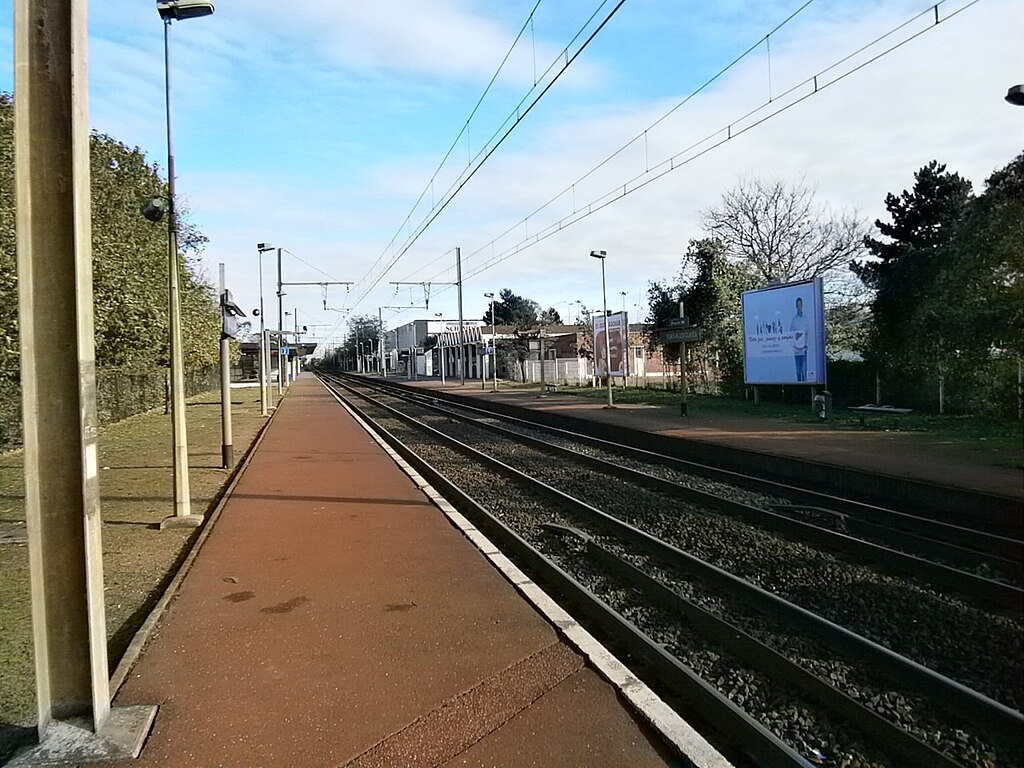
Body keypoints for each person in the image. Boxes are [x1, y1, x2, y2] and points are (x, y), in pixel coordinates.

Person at [790, 297, 809, 382]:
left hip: (804, 348)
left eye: (800, 304)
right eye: (797, 305)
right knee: (798, 370)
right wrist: (793, 345)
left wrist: (806, 345)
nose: (799, 306)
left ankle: (805, 386)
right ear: (796, 306)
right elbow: (791, 333)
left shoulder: (805, 319)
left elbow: (808, 332)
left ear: (802, 305)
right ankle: (798, 386)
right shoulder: (794, 319)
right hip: (796, 349)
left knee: (804, 370)